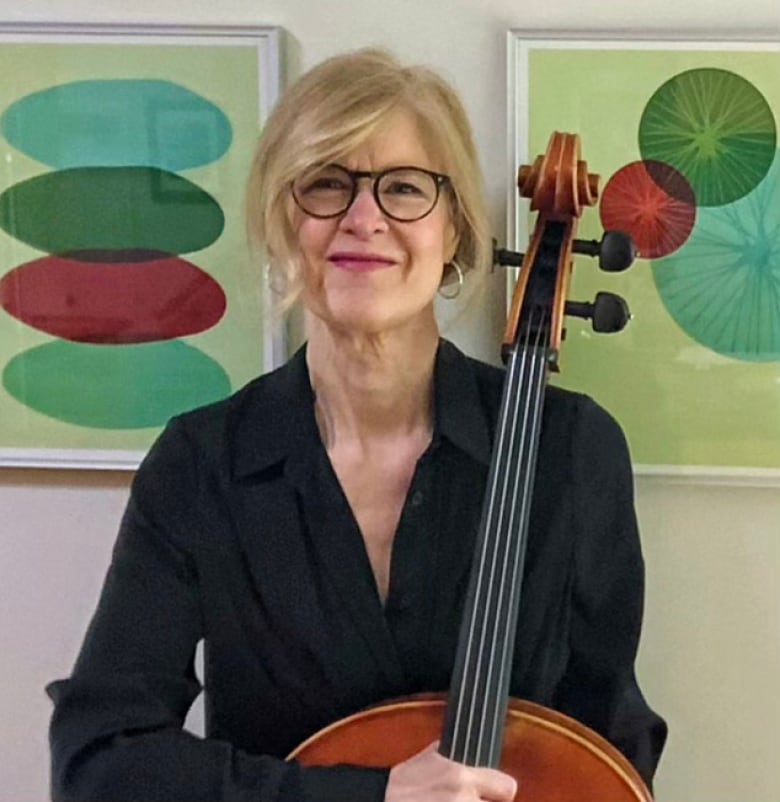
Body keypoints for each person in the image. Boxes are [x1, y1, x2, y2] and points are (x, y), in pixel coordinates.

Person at [47, 48, 666, 801]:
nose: (363, 219)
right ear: (284, 223)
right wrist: (368, 797)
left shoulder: (572, 451)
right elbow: (100, 760)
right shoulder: (202, 463)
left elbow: (606, 742)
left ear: (456, 235)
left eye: (405, 187)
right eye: (327, 185)